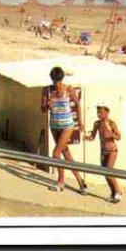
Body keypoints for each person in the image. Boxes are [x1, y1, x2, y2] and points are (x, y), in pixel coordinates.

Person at [40, 66, 88, 195]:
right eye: (54, 81)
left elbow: (77, 104)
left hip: (67, 125)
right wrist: (48, 105)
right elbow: (42, 109)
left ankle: (61, 181)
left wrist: (80, 122)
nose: (57, 83)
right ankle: (81, 181)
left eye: (58, 80)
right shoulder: (47, 90)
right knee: (66, 153)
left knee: (56, 153)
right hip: (55, 125)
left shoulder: (69, 89)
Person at [86, 103, 123, 203]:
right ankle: (113, 193)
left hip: (112, 150)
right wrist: (87, 138)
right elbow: (92, 137)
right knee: (105, 173)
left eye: (101, 112)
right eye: (98, 112)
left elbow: (119, 137)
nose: (99, 114)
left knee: (109, 171)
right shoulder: (97, 124)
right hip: (103, 151)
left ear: (107, 113)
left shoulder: (111, 123)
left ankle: (118, 191)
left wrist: (112, 135)